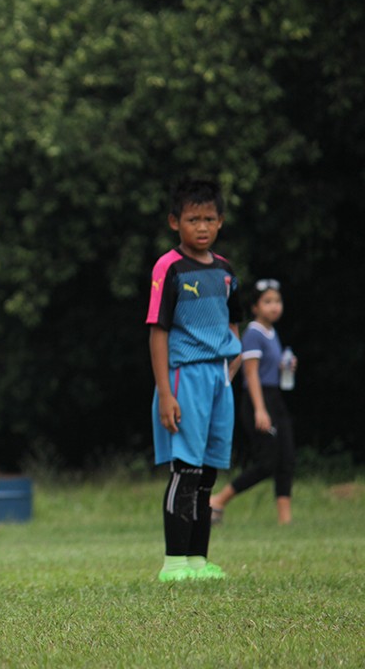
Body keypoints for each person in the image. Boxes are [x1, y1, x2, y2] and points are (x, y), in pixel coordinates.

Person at [146, 178, 242, 582]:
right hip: (184, 377)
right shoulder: (168, 268)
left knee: (207, 474)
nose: (201, 227)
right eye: (192, 219)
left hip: (219, 382)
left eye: (209, 219)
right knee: (184, 471)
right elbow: (157, 331)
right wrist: (166, 392)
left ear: (220, 222)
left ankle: (199, 562)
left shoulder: (224, 270)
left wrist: (229, 372)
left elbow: (235, 323)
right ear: (175, 222)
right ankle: (174, 563)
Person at [210, 279, 296, 525]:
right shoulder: (253, 334)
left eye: (277, 301)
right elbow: (251, 374)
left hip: (275, 398)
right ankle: (218, 500)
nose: (274, 306)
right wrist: (260, 410)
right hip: (258, 400)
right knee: (268, 461)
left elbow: (270, 370)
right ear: (255, 307)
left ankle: (285, 521)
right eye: (267, 302)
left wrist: (285, 366)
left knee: (286, 458)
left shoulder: (272, 333)